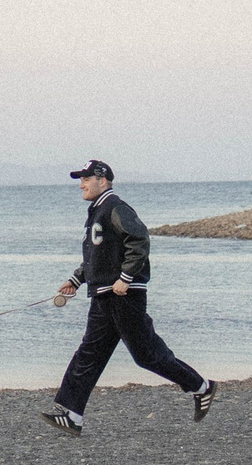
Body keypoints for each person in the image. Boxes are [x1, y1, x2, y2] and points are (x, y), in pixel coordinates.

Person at [42, 160, 215, 435]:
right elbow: (98, 257)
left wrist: (126, 278)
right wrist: (76, 280)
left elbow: (140, 241)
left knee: (147, 355)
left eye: (85, 178)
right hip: (103, 296)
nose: (81, 184)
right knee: (89, 353)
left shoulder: (116, 208)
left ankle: (201, 386)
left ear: (102, 179)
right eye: (80, 179)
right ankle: (71, 414)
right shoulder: (98, 210)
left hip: (124, 296)